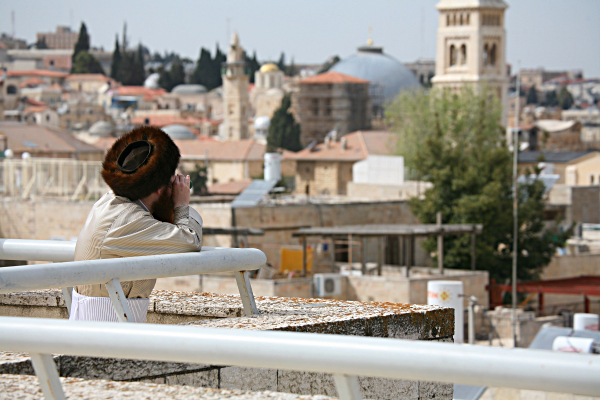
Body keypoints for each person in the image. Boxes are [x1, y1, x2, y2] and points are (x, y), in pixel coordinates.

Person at [70, 126, 203, 322]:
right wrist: (181, 204)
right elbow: (190, 240)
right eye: (171, 183)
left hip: (104, 325)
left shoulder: (110, 203)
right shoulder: (128, 221)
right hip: (106, 332)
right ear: (159, 189)